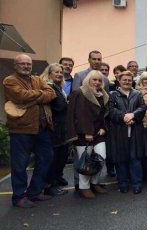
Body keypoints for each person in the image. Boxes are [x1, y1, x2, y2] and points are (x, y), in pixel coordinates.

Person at [3, 54, 56, 208]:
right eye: (22, 64)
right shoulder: (10, 80)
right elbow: (20, 96)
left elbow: (51, 94)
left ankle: (34, 192)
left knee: (46, 159)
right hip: (21, 129)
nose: (26, 66)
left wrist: (35, 96)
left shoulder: (37, 79)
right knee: (20, 164)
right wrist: (41, 95)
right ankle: (19, 197)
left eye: (28, 64)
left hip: (42, 127)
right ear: (15, 65)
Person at [66, 70, 109, 198]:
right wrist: (85, 132)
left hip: (98, 132)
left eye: (99, 80)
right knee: (85, 162)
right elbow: (75, 114)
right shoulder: (79, 92)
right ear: (88, 80)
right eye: (94, 80)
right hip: (83, 134)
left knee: (101, 158)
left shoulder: (102, 94)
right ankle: (84, 187)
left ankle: (95, 183)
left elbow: (104, 115)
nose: (97, 82)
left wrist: (103, 127)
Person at [108, 71, 147, 194]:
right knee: (121, 159)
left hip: (135, 131)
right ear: (119, 80)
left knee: (135, 159)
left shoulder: (137, 94)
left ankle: (137, 184)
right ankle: (123, 183)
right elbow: (111, 110)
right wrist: (123, 117)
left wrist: (133, 116)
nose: (127, 82)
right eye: (124, 80)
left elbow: (143, 108)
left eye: (129, 80)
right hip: (119, 131)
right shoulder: (113, 94)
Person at [40, 64, 69, 196]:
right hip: (53, 128)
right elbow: (59, 106)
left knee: (61, 156)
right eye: (56, 72)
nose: (59, 74)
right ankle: (50, 186)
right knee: (54, 158)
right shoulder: (49, 87)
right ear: (49, 73)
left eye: (61, 72)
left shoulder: (58, 88)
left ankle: (55, 181)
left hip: (61, 127)